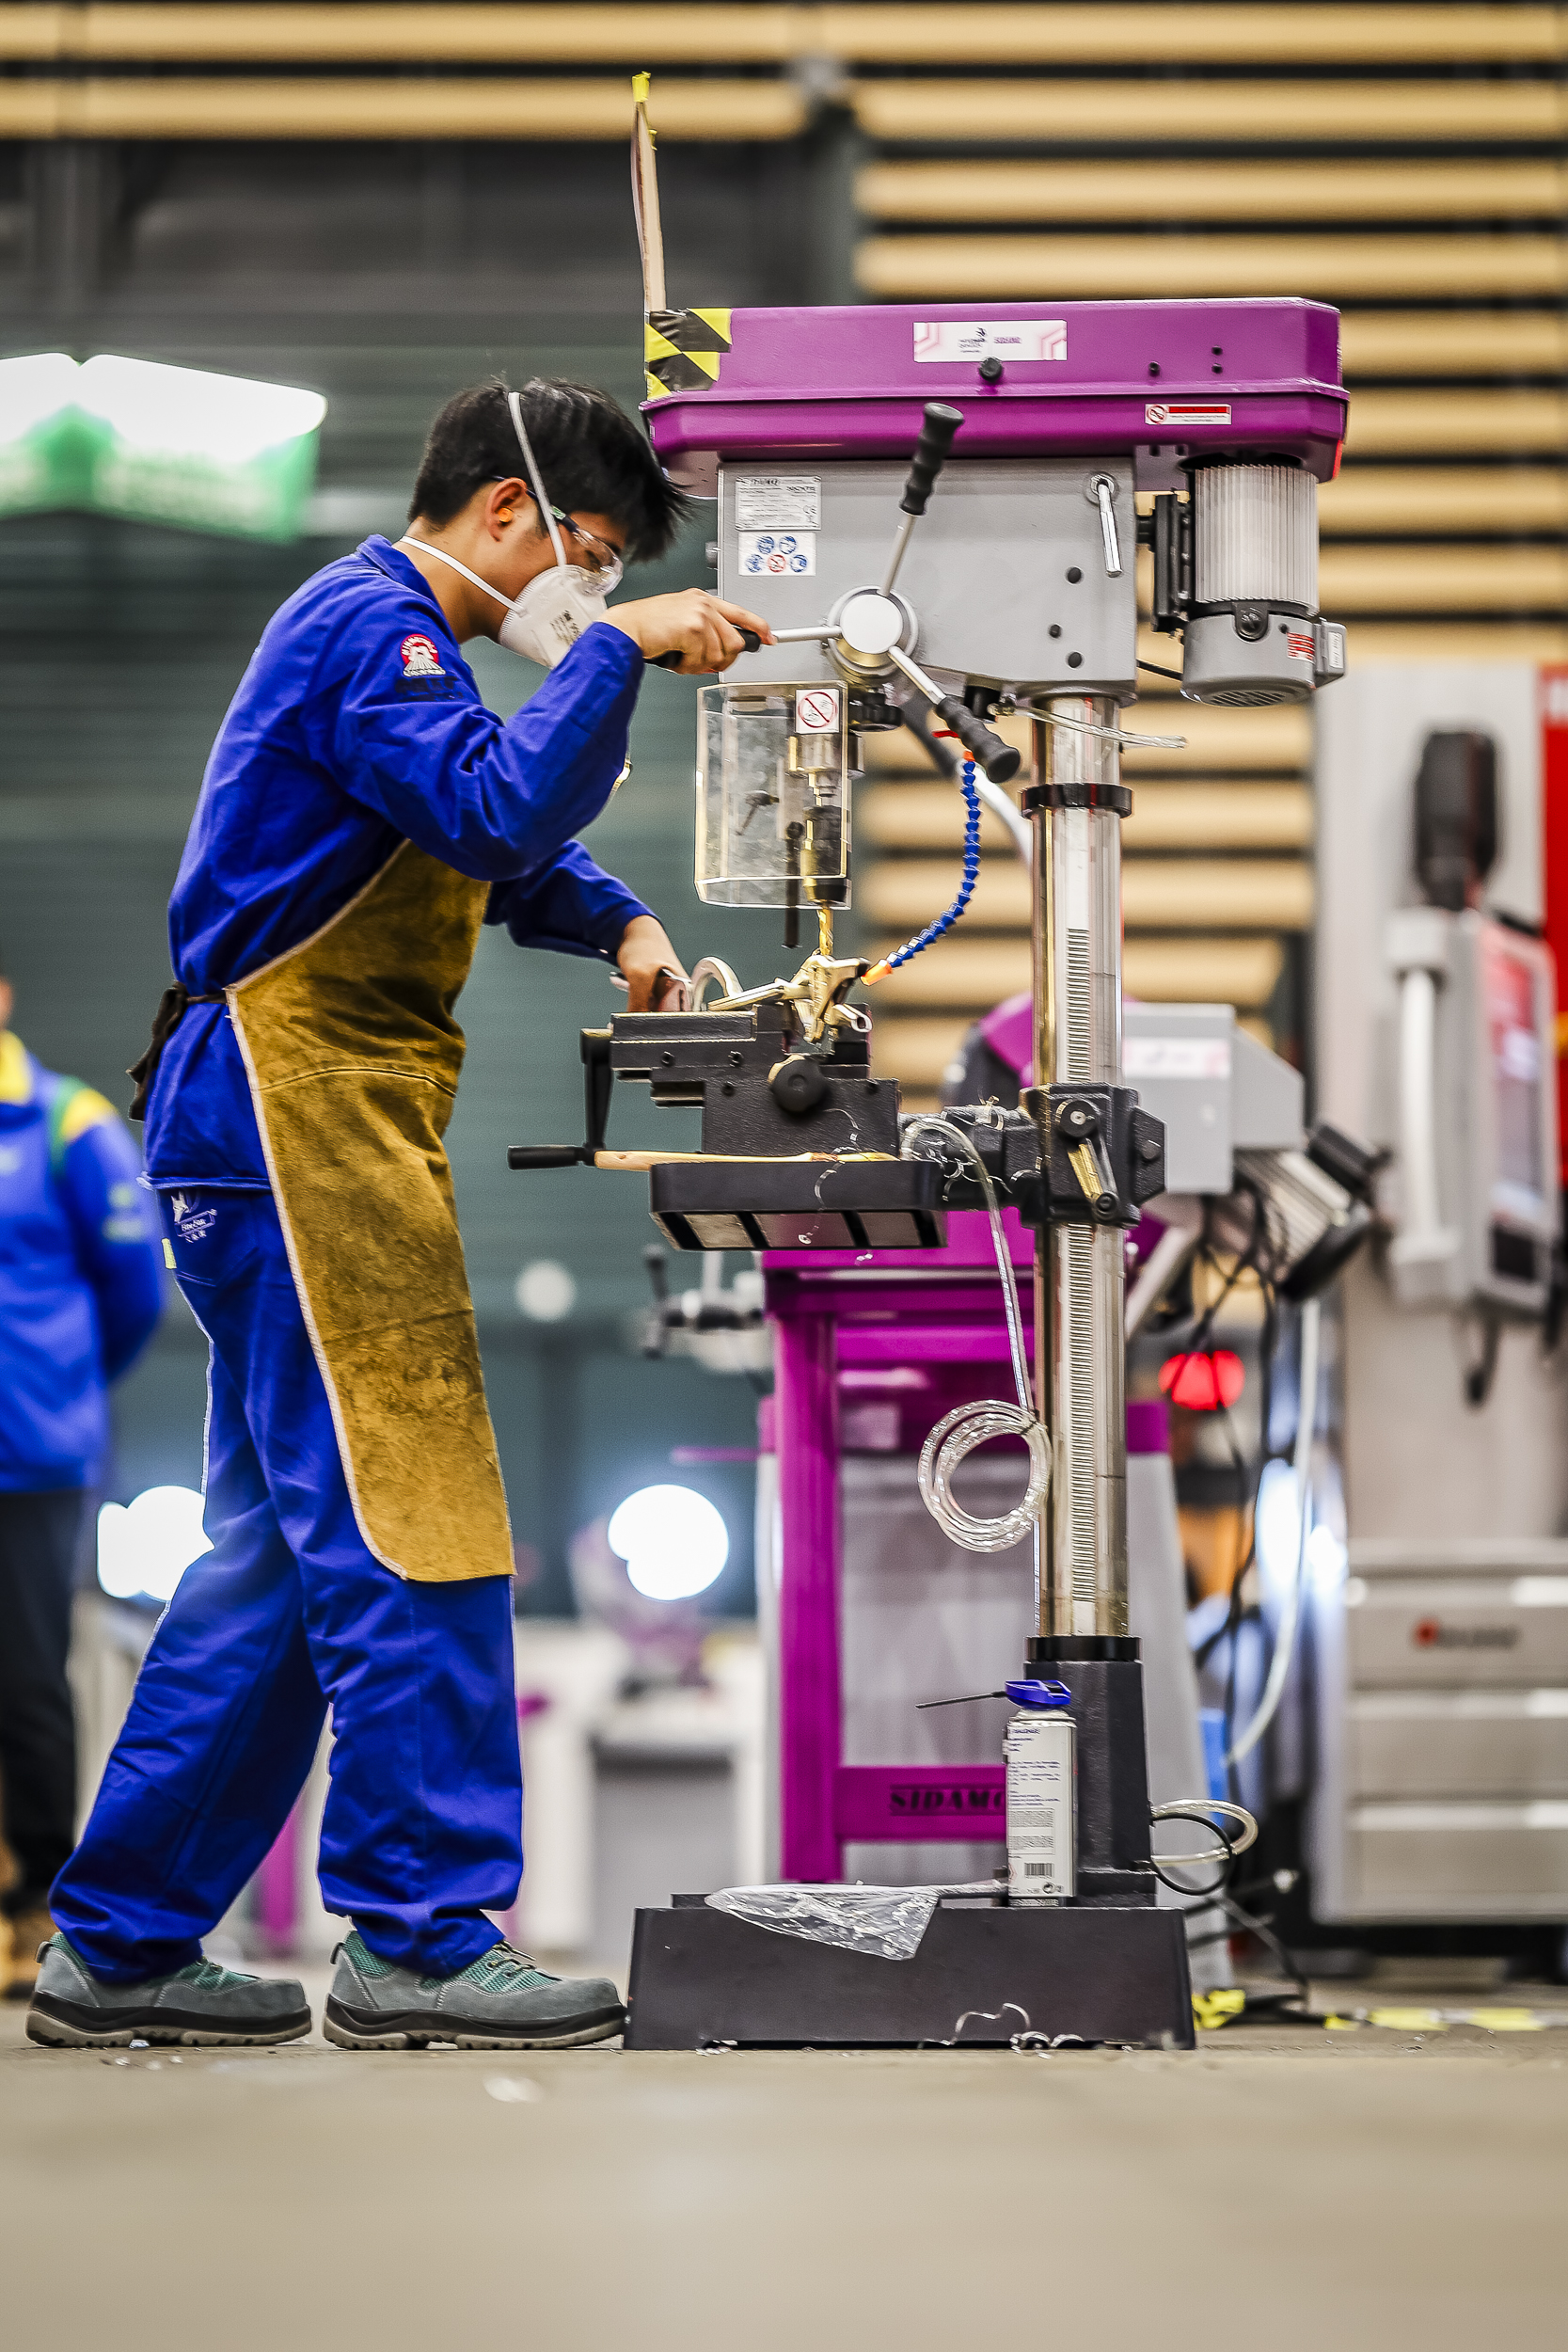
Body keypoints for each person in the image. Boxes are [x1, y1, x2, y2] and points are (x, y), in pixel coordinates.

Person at [30, 376, 770, 2052]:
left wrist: (624, 924)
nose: (584, 589)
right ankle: (421, 1934)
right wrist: (620, 649)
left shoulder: (387, 654)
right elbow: (501, 802)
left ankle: (124, 1942)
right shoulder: (375, 626)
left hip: (300, 1117)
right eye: (584, 556)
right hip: (294, 1114)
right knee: (412, 1515)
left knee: (283, 1562)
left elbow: (482, 835)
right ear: (507, 519)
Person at [0, 956, 163, 2000]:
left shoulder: (66, 1125)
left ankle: (31, 1908)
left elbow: (134, 1291)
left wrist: (58, 1391)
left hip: (32, 1455)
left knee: (23, 1683)